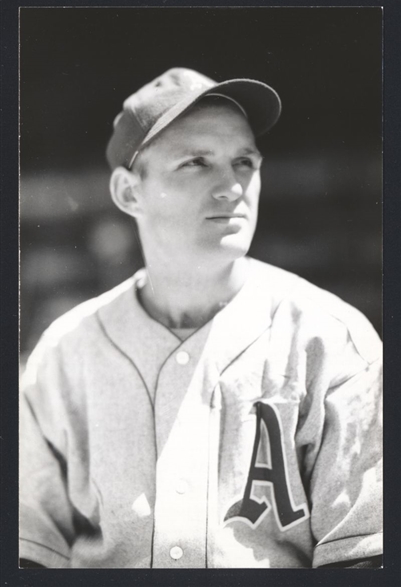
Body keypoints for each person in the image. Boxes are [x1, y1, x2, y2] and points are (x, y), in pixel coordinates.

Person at [19, 68, 382, 569]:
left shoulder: (331, 340)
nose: (232, 185)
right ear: (128, 193)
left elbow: (363, 556)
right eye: (196, 163)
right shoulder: (65, 353)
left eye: (244, 161)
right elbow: (27, 553)